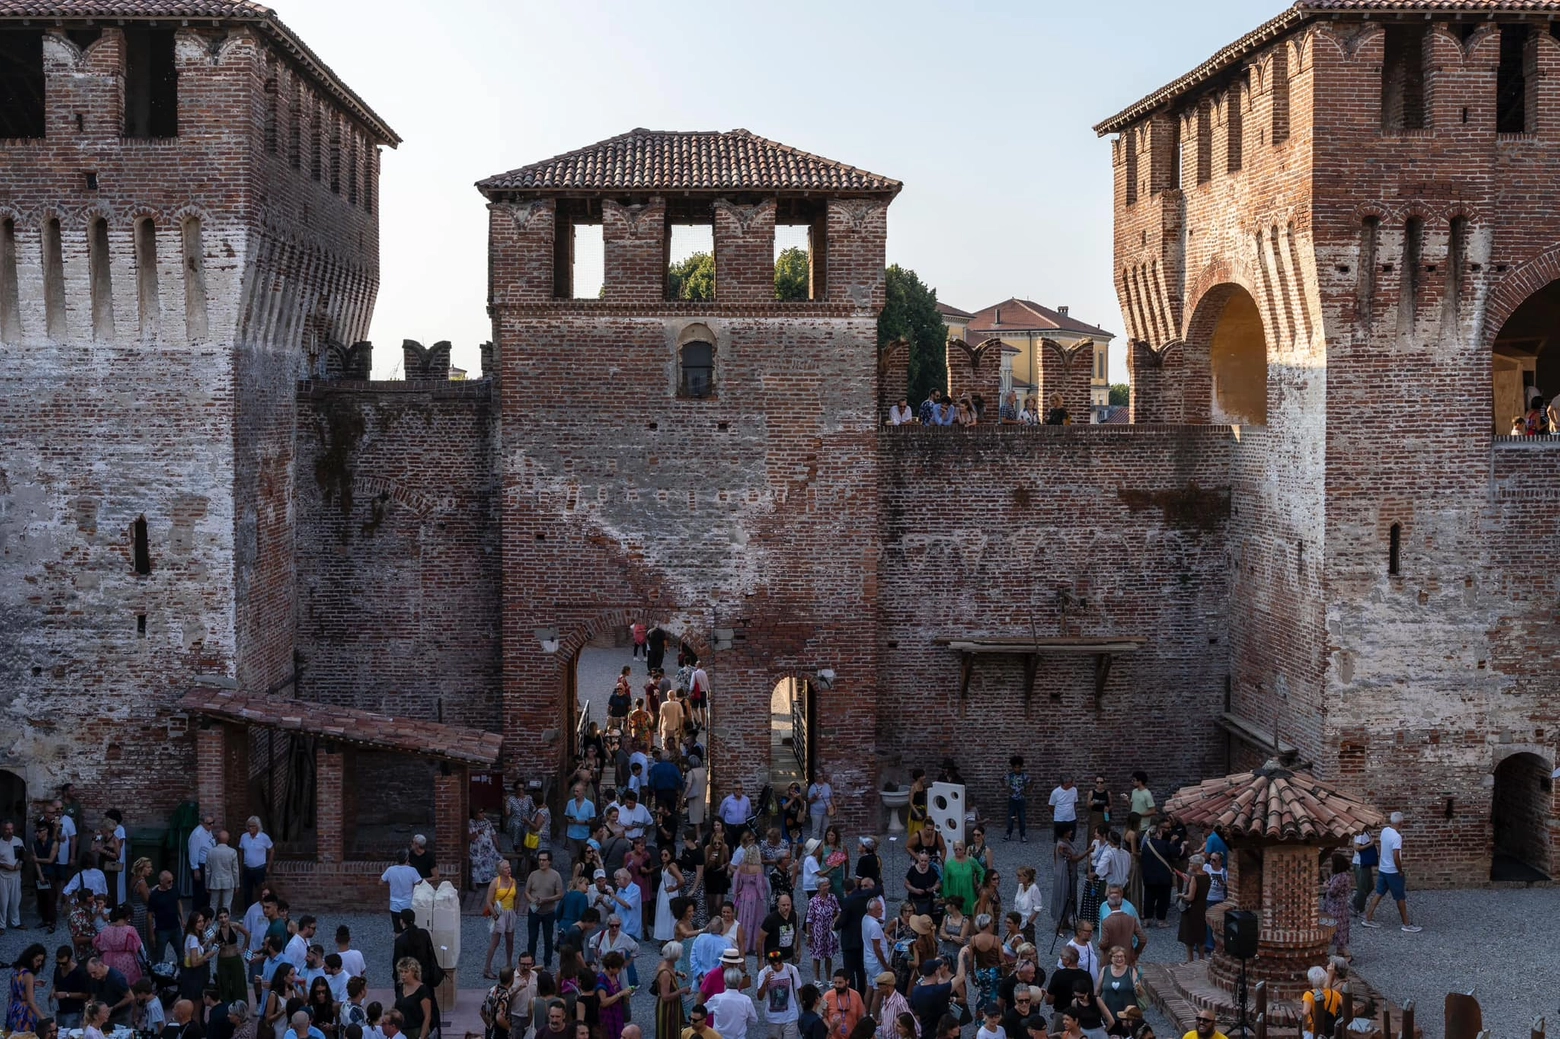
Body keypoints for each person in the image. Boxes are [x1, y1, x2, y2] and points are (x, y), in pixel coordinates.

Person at [1361, 812, 1420, 932]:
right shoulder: (1397, 837)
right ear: (1401, 823)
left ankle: (1368, 918)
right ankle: (1406, 924)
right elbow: (1396, 856)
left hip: (1383, 868)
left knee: (1379, 893)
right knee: (1400, 897)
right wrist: (1400, 870)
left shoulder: (1385, 831)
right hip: (1393, 871)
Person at [482, 859, 521, 979]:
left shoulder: (513, 881)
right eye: (506, 868)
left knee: (510, 939)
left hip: (510, 912)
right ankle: (487, 968)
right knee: (495, 941)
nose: (509, 870)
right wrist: (494, 915)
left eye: (509, 867)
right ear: (500, 870)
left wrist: (515, 910)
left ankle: (509, 964)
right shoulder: (495, 882)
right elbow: (488, 900)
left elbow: (516, 897)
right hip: (499, 913)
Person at [526, 851, 565, 968]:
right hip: (534, 911)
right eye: (540, 860)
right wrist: (533, 900)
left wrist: (546, 899)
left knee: (548, 938)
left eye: (544, 860)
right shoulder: (533, 875)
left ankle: (547, 962)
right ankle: (530, 961)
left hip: (548, 912)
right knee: (532, 938)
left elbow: (560, 894)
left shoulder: (555, 875)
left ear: (549, 862)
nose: (541, 862)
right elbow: (527, 891)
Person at [757, 949, 803, 1039]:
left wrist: (803, 1007)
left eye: (779, 963)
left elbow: (799, 989)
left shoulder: (791, 970)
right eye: (774, 965)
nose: (777, 967)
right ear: (769, 963)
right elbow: (759, 997)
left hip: (791, 1016)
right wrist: (765, 983)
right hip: (773, 1019)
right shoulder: (763, 973)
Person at [706, 969, 759, 1039]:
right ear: (740, 982)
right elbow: (754, 1020)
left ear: (725, 981)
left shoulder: (717, 999)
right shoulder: (746, 1000)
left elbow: (703, 1011)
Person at [1176, 855, 1211, 961]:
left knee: (1189, 935)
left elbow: (1190, 897)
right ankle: (1201, 959)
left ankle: (1190, 959)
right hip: (1202, 907)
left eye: (1191, 863)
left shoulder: (1195, 878)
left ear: (1197, 865)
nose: (1189, 865)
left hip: (1192, 910)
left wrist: (1181, 895)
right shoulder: (1207, 875)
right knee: (1201, 934)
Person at [7, 943, 47, 1031]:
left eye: (41, 961)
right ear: (30, 958)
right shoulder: (29, 975)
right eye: (37, 960)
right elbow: (31, 1002)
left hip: (13, 1010)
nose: (39, 963)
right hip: (23, 1014)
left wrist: (33, 983)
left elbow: (18, 985)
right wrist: (44, 1020)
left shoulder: (17, 969)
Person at [1321, 856, 1353, 960]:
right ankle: (1340, 954)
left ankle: (1346, 955)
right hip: (1337, 906)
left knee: (1336, 929)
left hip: (1336, 908)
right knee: (1338, 929)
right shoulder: (1341, 876)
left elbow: (1332, 891)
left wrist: (1326, 886)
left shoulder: (1340, 877)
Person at [238, 819, 273, 908]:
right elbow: (241, 851)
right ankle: (247, 912)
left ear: (258, 827)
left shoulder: (264, 837)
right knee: (247, 892)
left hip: (259, 869)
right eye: (249, 826)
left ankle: (263, 910)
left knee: (261, 892)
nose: (250, 828)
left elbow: (272, 850)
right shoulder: (244, 837)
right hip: (247, 869)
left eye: (253, 826)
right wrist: (241, 865)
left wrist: (268, 866)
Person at [823, 970, 866, 1039]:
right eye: (835, 982)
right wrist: (830, 1027)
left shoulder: (856, 995)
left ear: (847, 982)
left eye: (840, 983)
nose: (837, 986)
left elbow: (860, 1017)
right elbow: (822, 1016)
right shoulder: (827, 995)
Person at [760, 893, 801, 964]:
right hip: (773, 958)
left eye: (788, 905)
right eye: (783, 905)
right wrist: (760, 960)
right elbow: (759, 940)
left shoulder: (794, 916)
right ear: (778, 905)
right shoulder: (771, 919)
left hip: (789, 957)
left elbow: (796, 933)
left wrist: (799, 949)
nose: (786, 907)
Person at [1349, 832, 1376, 918]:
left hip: (1365, 863)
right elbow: (1357, 847)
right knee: (1362, 888)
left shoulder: (1366, 833)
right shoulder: (1360, 834)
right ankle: (1360, 909)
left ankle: (1354, 903)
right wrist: (1371, 844)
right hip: (1360, 863)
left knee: (1370, 886)